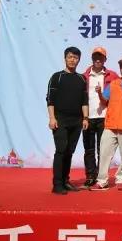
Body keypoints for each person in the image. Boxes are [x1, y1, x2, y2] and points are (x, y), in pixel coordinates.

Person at [46, 47, 89, 195]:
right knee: (61, 150)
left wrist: (85, 118)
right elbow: (50, 99)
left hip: (77, 120)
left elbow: (84, 101)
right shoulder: (57, 77)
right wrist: (52, 118)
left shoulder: (81, 78)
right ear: (65, 58)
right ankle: (57, 184)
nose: (72, 60)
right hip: (60, 120)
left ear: (79, 60)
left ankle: (65, 180)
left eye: (75, 58)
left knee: (70, 151)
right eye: (70, 57)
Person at [91, 57, 122, 191]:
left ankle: (120, 179)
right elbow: (104, 101)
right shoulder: (113, 84)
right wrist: (99, 93)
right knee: (104, 154)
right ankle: (102, 181)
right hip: (110, 125)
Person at [82, 47, 119, 188]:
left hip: (105, 117)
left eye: (101, 57)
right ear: (92, 58)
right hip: (87, 117)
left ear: (105, 59)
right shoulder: (84, 76)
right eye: (95, 57)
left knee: (103, 150)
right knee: (89, 149)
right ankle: (90, 176)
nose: (98, 59)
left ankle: (101, 177)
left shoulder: (113, 76)